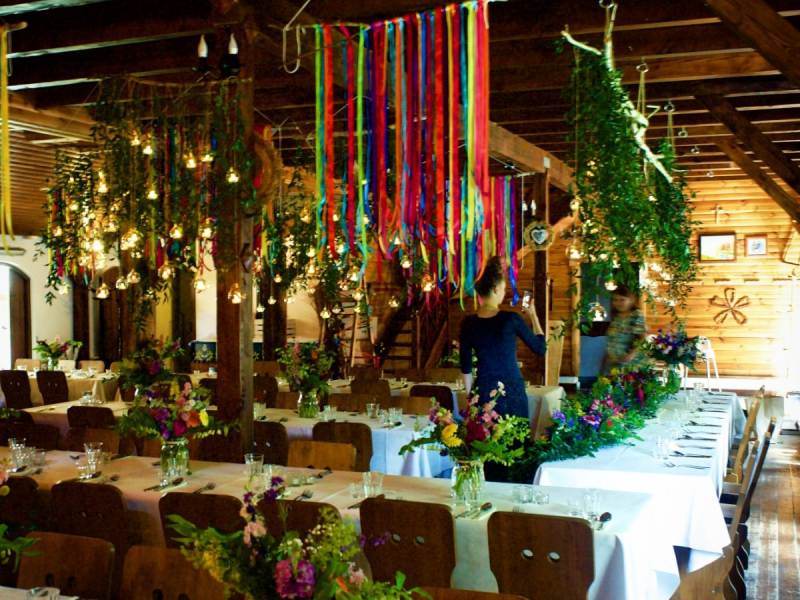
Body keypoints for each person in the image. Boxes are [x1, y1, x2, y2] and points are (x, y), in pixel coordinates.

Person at [459, 256, 546, 418]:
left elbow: (466, 365)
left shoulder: (468, 323)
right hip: (512, 390)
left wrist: (470, 396)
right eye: (504, 288)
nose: (504, 292)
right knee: (515, 433)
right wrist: (533, 316)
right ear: (496, 289)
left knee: (484, 433)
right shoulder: (511, 319)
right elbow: (540, 348)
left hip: (483, 389)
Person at [604, 284, 647, 373]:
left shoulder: (636, 315)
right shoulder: (615, 316)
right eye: (615, 300)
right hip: (614, 363)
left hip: (630, 364)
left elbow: (642, 338)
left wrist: (632, 353)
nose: (618, 303)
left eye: (622, 300)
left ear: (630, 300)